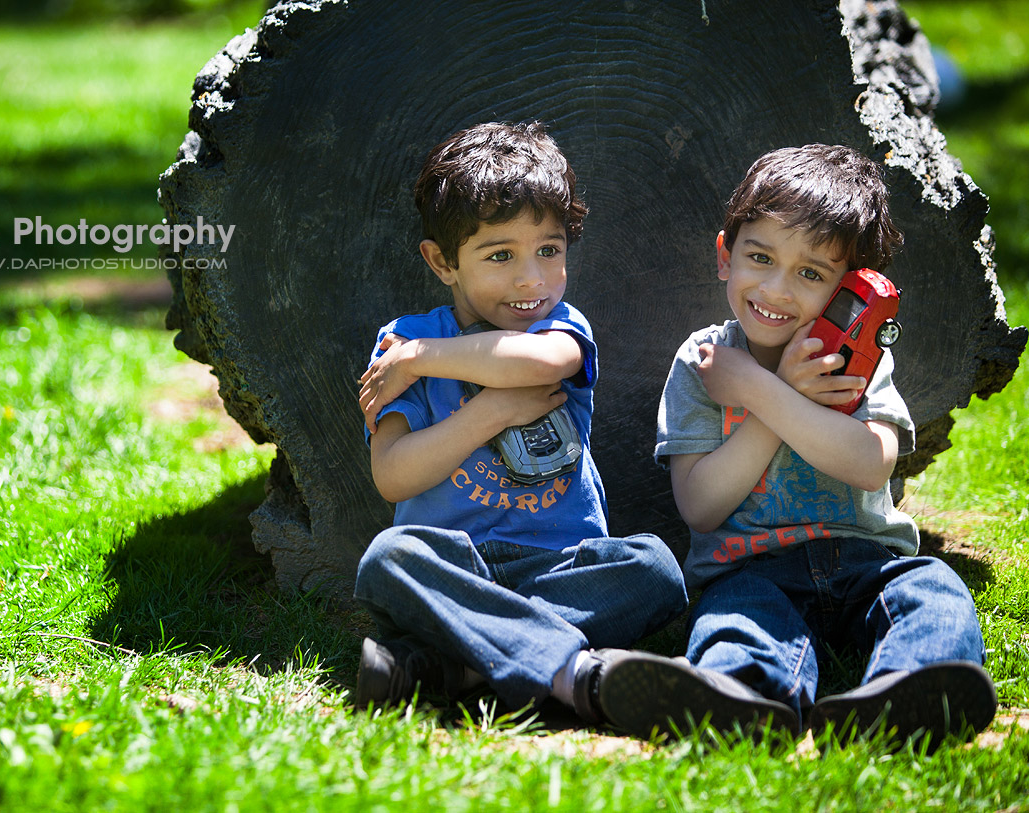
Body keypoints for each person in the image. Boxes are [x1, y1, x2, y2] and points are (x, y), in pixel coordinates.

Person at [613, 143, 996, 746]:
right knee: (737, 619)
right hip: (750, 569)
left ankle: (909, 692)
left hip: (871, 561)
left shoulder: (857, 362)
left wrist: (765, 394)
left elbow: (871, 466)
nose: (776, 289)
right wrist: (770, 394)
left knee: (933, 589)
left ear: (851, 291)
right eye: (759, 257)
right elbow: (701, 507)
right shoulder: (707, 362)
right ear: (725, 254)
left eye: (811, 274)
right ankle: (746, 696)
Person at [352, 121, 687, 723]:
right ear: (442, 261)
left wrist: (425, 360)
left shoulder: (556, 328)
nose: (531, 279)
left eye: (549, 251)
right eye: (500, 255)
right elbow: (394, 477)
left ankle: (459, 664)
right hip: (455, 565)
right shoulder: (401, 340)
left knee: (655, 569)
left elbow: (542, 363)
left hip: (562, 566)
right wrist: (492, 411)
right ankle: (575, 674)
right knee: (387, 559)